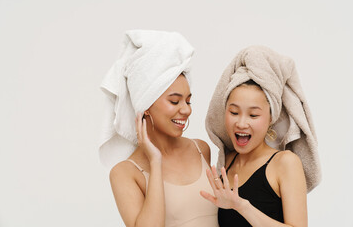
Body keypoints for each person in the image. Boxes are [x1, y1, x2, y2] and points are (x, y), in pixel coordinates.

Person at [99, 30, 218, 227]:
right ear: (146, 106)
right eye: (174, 101)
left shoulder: (200, 149)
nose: (186, 110)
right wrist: (155, 162)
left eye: (188, 101)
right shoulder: (125, 173)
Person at [201, 46, 321, 226]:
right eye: (234, 112)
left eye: (253, 115)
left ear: (271, 118)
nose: (241, 123)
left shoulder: (285, 163)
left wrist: (241, 206)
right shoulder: (227, 162)